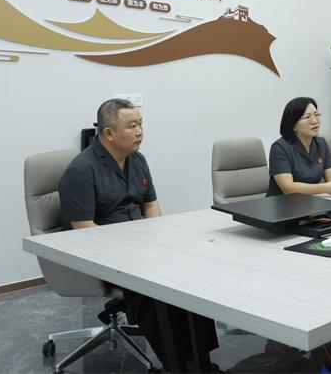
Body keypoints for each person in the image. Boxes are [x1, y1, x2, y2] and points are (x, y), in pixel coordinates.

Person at [58, 98, 217, 369]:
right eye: (132, 126)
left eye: (141, 124)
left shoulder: (137, 160)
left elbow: (151, 205)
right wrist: (132, 253)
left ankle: (199, 360)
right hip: (101, 254)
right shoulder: (81, 171)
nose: (140, 132)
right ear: (109, 133)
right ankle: (177, 365)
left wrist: (160, 241)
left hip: (140, 247)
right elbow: (84, 232)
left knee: (191, 274)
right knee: (154, 289)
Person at [267, 97, 331, 197]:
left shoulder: (321, 143)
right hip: (282, 203)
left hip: (310, 201)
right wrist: (326, 188)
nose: (314, 121)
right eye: (307, 117)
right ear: (293, 125)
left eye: (316, 115)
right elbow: (288, 188)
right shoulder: (279, 148)